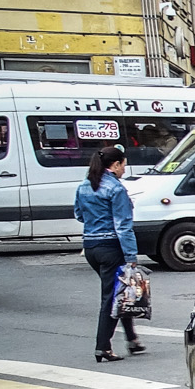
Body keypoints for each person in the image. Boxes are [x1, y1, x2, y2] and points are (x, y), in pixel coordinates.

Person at [75, 146, 143, 362]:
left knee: (119, 292)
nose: (124, 169)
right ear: (115, 165)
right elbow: (123, 226)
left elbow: (78, 214)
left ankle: (132, 339)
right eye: (123, 164)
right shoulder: (116, 189)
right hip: (111, 247)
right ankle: (102, 346)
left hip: (91, 247)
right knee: (112, 297)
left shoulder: (84, 186)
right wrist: (131, 257)